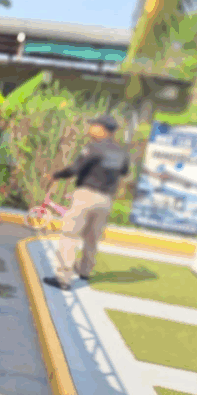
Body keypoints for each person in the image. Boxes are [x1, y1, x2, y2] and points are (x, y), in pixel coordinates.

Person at [43, 116, 130, 291]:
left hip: (86, 195)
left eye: (94, 126)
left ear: (104, 129)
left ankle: (63, 278)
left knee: (69, 235)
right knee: (92, 237)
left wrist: (56, 175)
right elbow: (124, 171)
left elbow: (76, 168)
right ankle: (85, 272)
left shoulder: (93, 147)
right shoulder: (121, 152)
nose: (91, 129)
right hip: (106, 200)